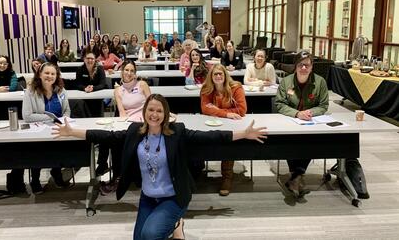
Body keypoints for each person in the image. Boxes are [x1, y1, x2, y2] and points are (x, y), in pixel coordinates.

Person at [52, 94, 267, 240]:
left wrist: (243, 134)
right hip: (148, 197)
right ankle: (173, 226)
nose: (154, 115)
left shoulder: (177, 133)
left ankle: (176, 223)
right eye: (150, 110)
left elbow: (211, 136)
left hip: (173, 197)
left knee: (151, 235)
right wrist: (72, 132)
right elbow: (105, 136)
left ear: (166, 114)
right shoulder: (135, 131)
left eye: (159, 111)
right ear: (145, 112)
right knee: (141, 238)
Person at [275, 50, 329, 198]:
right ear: (296, 66)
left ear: (312, 67)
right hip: (289, 121)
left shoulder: (320, 82)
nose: (303, 68)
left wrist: (310, 112)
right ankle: (297, 176)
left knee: (312, 140)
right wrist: (297, 114)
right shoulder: (286, 81)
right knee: (288, 140)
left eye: (307, 65)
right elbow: (279, 103)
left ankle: (296, 177)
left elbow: (323, 105)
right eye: (300, 65)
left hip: (311, 123)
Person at [16, 62, 70, 194]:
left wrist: (63, 120)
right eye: (46, 73)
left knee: (60, 147)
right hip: (38, 130)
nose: (49, 76)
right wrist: (50, 118)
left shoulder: (61, 91)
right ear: (39, 74)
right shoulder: (30, 91)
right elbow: (27, 116)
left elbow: (67, 111)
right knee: (39, 150)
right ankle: (35, 179)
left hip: (57, 128)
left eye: (53, 74)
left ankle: (56, 172)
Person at [200, 64, 247, 196]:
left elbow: (242, 110)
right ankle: (197, 169)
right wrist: (226, 113)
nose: (218, 76)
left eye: (221, 73)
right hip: (212, 124)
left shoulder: (236, 87)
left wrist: (215, 110)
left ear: (226, 75)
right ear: (211, 76)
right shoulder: (206, 88)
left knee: (228, 142)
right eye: (215, 74)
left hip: (232, 125)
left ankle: (227, 176)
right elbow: (205, 108)